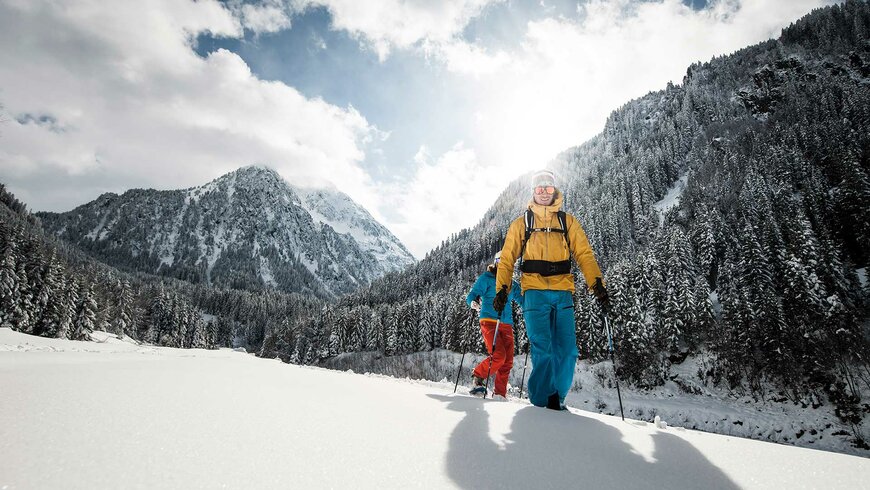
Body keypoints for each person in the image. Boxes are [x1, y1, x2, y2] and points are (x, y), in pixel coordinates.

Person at [493, 170, 609, 410]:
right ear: (533, 191)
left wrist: (596, 283)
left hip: (563, 291)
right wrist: (502, 290)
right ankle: (540, 404)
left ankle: (558, 397)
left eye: (547, 188)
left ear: (554, 190)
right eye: (539, 188)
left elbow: (584, 254)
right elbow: (506, 260)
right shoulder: (522, 223)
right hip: (534, 292)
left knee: (567, 351)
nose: (543, 192)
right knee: (543, 350)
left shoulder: (567, 222)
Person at [465, 251, 523, 400]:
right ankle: (478, 375)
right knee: (499, 356)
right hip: (489, 321)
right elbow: (473, 294)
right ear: (496, 262)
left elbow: (522, 300)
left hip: (507, 323)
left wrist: (534, 309)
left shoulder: (512, 284)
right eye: (503, 263)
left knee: (507, 361)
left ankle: (500, 394)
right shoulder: (487, 278)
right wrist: (473, 302)